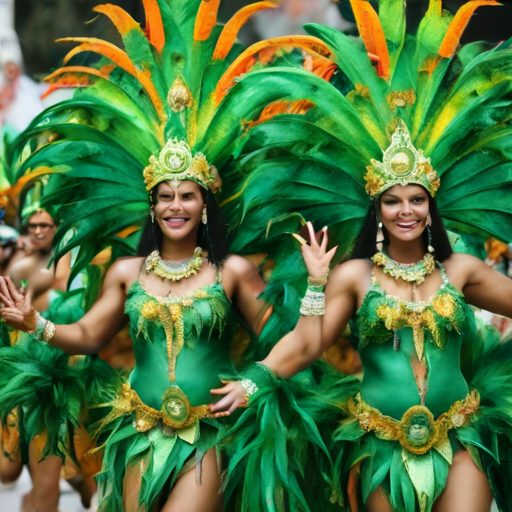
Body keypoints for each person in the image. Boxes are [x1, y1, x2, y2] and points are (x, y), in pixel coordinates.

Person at [206, 2, 512, 511]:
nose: (406, 211)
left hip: (461, 440)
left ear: (432, 206)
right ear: (377, 208)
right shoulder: (353, 276)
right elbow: (307, 346)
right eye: (392, 201)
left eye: (417, 200)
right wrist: (255, 380)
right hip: (381, 444)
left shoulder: (461, 271)